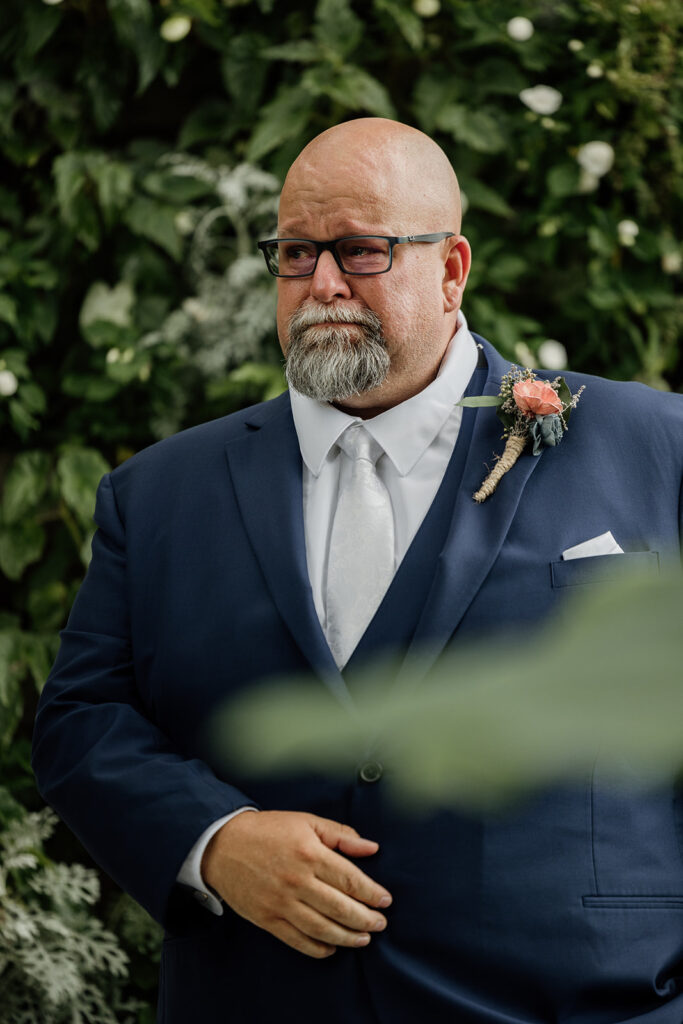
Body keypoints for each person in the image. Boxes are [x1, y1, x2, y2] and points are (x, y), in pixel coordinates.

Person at [33, 119, 683, 1024]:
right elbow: (79, 719)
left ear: (452, 270)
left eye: (361, 251)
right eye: (295, 253)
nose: (321, 283)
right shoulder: (156, 495)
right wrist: (212, 841)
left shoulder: (656, 447)